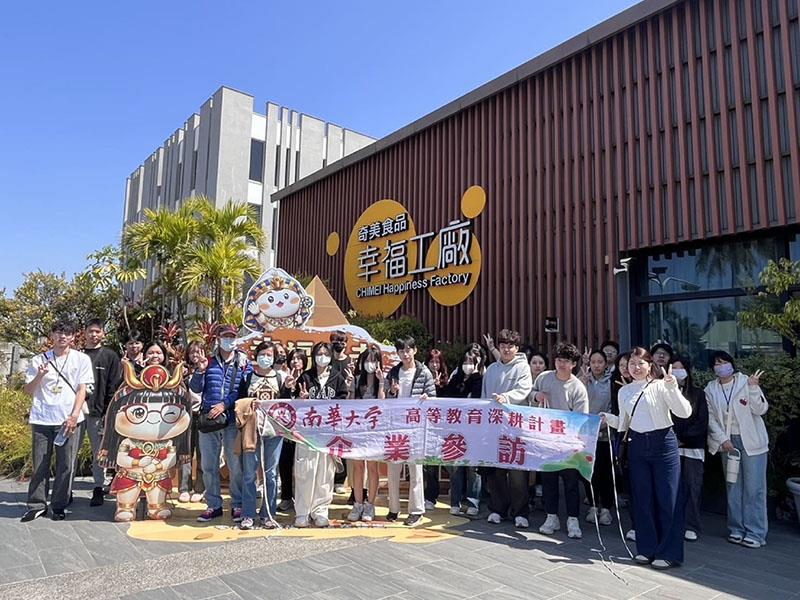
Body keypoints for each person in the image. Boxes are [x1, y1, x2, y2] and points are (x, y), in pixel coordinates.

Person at [601, 347, 691, 570]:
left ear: (650, 365)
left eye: (640, 363)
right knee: (642, 499)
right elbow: (624, 423)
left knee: (668, 499)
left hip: (663, 444)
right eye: (631, 363)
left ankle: (669, 553)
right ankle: (647, 548)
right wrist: (608, 419)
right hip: (637, 445)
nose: (636, 367)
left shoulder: (661, 385)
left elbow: (684, 412)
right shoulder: (624, 391)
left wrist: (673, 388)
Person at [21, 322, 94, 522]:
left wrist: (74, 415)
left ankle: (59, 504)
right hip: (42, 418)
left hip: (69, 418)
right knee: (40, 464)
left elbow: (82, 389)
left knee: (66, 464)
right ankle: (37, 505)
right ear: (52, 335)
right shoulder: (38, 360)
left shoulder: (81, 359)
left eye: (67, 333)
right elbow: (28, 390)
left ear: (73, 337)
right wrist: (39, 375)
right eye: (59, 332)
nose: (63, 336)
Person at [705, 351, 768, 549]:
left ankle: (756, 532)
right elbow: (710, 418)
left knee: (754, 488)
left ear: (732, 364)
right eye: (717, 363)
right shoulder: (710, 388)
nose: (721, 366)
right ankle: (736, 528)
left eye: (724, 362)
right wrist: (723, 439)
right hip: (728, 443)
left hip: (752, 442)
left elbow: (760, 409)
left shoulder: (745, 382)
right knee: (733, 486)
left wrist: (754, 388)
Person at [190, 324, 251, 523]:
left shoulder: (243, 363)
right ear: (218, 338)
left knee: (235, 465)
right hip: (209, 420)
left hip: (232, 420)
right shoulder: (208, 362)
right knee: (209, 465)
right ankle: (213, 505)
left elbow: (245, 390)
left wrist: (225, 404)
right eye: (225, 336)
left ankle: (237, 504)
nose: (229, 340)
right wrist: (199, 371)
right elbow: (195, 388)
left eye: (232, 337)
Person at [531, 343, 589, 538]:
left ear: (574, 364)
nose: (561, 364)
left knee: (571, 482)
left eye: (566, 361)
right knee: (549, 480)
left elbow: (581, 418)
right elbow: (530, 394)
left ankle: (573, 519)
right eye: (558, 360)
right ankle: (551, 516)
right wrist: (537, 395)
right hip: (546, 440)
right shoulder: (544, 377)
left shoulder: (577, 387)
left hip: (568, 443)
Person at [293, 342, 349, 527]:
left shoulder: (337, 378)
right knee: (305, 471)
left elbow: (343, 402)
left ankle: (320, 511)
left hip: (327, 433)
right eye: (319, 353)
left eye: (326, 354)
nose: (322, 357)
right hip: (306, 433)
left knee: (325, 473)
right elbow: (294, 402)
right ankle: (302, 512)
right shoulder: (305, 377)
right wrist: (300, 398)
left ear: (331, 356)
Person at [483, 329, 534, 528]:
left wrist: (506, 398)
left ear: (516, 348)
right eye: (503, 345)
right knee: (496, 470)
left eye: (510, 346)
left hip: (516, 426)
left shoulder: (523, 367)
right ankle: (498, 509)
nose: (506, 349)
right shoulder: (491, 369)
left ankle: (520, 512)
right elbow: (484, 395)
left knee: (517, 472)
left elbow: (524, 390)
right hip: (495, 426)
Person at [385, 336, 437, 526]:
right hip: (396, 427)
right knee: (393, 469)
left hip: (416, 427)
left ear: (414, 350)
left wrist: (427, 398)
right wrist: (392, 392)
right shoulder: (393, 372)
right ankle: (393, 508)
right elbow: (386, 400)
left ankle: (416, 510)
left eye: (408, 350)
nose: (405, 354)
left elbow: (433, 398)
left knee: (415, 470)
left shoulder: (424, 372)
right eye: (401, 351)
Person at [237, 341, 287, 529]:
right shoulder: (248, 377)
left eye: (269, 355)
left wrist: (289, 388)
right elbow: (239, 402)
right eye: (262, 354)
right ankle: (248, 514)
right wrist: (251, 404)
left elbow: (286, 405)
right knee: (249, 473)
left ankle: (268, 514)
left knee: (271, 474)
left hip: (274, 432)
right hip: (252, 430)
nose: (265, 358)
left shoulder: (280, 378)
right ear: (256, 356)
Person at [78, 318, 122, 507]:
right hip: (75, 412)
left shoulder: (110, 356)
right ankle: (65, 490)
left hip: (98, 412)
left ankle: (98, 487)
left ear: (103, 333)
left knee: (99, 453)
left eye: (98, 331)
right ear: (84, 333)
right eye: (91, 331)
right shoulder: (76, 355)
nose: (94, 335)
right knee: (71, 452)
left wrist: (107, 412)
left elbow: (113, 386)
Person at [443, 344, 485, 516]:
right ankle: (455, 501)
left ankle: (473, 501)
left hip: (475, 429)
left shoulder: (481, 378)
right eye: (465, 361)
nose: (468, 365)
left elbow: (477, 399)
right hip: (455, 428)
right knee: (455, 465)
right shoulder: (456, 378)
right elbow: (446, 397)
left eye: (471, 362)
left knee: (472, 468)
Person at [670, 355, 708, 542]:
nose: (678, 371)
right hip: (671, 448)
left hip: (693, 448)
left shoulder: (698, 393)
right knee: (673, 488)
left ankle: (691, 525)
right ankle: (674, 522)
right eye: (674, 367)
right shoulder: (665, 392)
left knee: (693, 486)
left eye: (681, 367)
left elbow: (702, 421)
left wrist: (683, 439)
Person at [347, 345, 385, 522]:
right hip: (358, 429)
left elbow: (382, 403)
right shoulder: (356, 380)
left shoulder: (381, 380)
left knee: (372, 467)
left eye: (374, 360)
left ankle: (370, 504)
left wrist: (381, 382)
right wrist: (350, 387)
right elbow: (350, 404)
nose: (370, 364)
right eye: (367, 360)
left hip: (374, 430)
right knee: (357, 466)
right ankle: (358, 503)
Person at [580, 349, 614, 526]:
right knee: (589, 471)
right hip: (587, 433)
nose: (596, 365)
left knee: (605, 472)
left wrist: (604, 421)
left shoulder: (612, 382)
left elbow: (614, 406)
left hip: (606, 433)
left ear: (606, 364)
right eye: (593, 362)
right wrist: (582, 382)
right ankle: (593, 506)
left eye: (600, 362)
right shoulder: (583, 379)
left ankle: (606, 508)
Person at [277, 347, 308, 512]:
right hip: (287, 430)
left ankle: (303, 498)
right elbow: (280, 402)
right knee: (285, 464)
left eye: (299, 358)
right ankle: (286, 497)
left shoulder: (308, 377)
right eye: (293, 359)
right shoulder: (284, 378)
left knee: (303, 466)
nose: (295, 361)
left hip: (304, 431)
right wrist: (287, 388)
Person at [611, 351, 636, 541]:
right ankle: (636, 524)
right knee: (631, 485)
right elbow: (620, 419)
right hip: (625, 441)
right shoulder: (618, 387)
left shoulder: (647, 386)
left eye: (628, 365)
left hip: (644, 440)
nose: (625, 369)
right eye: (621, 366)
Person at [178, 341, 206, 504]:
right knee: (186, 453)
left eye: (198, 351)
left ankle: (200, 488)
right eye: (192, 352)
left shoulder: (209, 370)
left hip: (203, 416)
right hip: (186, 416)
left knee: (203, 454)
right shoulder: (182, 372)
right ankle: (184, 488)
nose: (195, 355)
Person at [423, 348, 449, 510]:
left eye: (437, 362)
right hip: (425, 426)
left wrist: (439, 387)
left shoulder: (447, 379)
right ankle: (428, 496)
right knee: (427, 464)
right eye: (431, 361)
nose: (434, 365)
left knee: (442, 462)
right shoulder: (422, 377)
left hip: (442, 427)